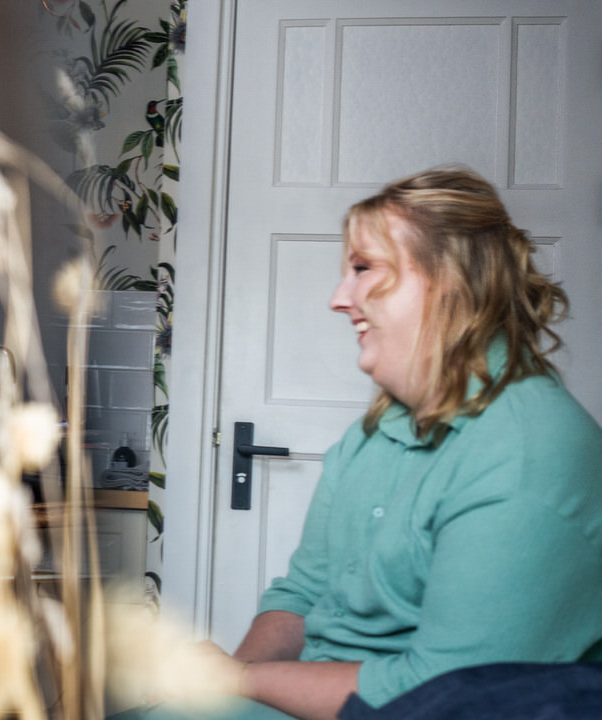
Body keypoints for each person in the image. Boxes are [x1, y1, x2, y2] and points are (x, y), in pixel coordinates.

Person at [127, 167, 602, 720]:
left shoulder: (525, 454)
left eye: (363, 269)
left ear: (449, 281)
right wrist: (221, 694)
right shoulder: (374, 435)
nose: (339, 299)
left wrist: (240, 678)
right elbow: (301, 596)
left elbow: (444, 695)